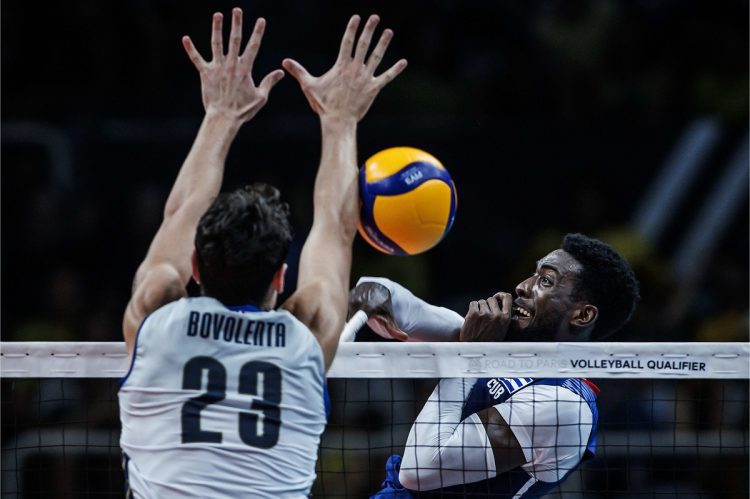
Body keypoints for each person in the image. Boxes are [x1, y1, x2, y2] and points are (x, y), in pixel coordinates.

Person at [118, 8, 406, 497]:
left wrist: (220, 116)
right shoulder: (306, 334)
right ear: (281, 277)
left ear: (193, 266)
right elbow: (337, 231)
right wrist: (340, 119)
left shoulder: (155, 316)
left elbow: (180, 212)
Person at [351, 233, 640, 498]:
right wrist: (373, 293)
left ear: (582, 315)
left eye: (546, 281)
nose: (522, 286)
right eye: (533, 274)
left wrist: (469, 356)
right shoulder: (497, 345)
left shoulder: (564, 403)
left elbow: (419, 470)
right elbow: (400, 303)